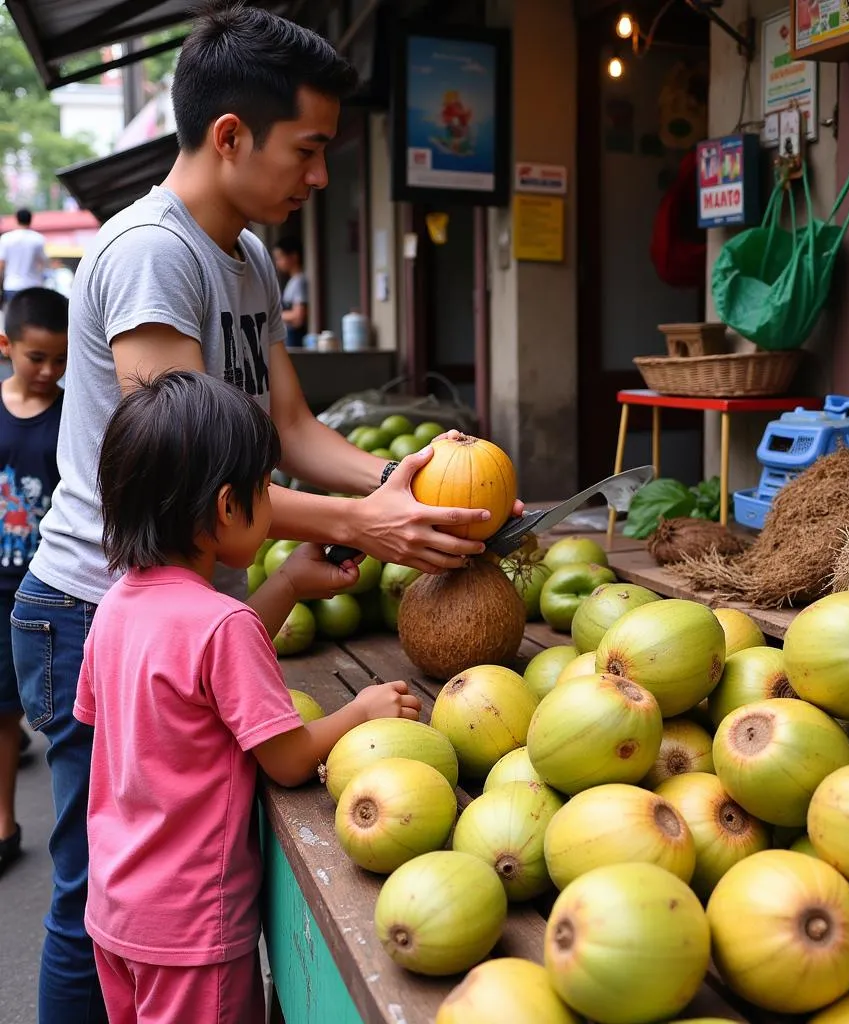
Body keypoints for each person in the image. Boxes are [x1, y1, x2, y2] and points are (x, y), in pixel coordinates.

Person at [12, 5, 520, 1021]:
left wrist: (393, 481)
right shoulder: (155, 254)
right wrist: (357, 524)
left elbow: (285, 422)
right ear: (231, 136)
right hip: (98, 606)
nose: (321, 176)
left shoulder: (241, 256)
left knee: (156, 883)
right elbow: (205, 471)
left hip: (179, 608)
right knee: (95, 896)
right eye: (311, 148)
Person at [77, 369, 421, 1024]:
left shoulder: (117, 608)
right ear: (229, 507)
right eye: (266, 489)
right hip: (193, 926)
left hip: (119, 908)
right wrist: (360, 712)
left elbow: (194, 673)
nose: (272, 503)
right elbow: (288, 759)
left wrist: (287, 583)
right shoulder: (220, 626)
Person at [0, 288, 68, 878]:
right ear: (7, 347)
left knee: (58, 717)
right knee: (1, 711)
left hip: (49, 587)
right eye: (36, 359)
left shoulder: (72, 415)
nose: (49, 372)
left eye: (60, 360)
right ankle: (3, 823)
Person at [0, 209, 49, 307]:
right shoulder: (38, 239)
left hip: (12, 285)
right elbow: (42, 263)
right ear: (30, 220)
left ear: (16, 219)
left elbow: (1, 264)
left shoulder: (6, 238)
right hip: (32, 285)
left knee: (13, 318)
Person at [272, 236, 308, 347]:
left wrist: (274, 316)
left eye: (280, 257)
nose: (278, 263)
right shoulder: (293, 281)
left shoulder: (298, 281)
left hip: (295, 338)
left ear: (293, 256)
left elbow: (298, 315)